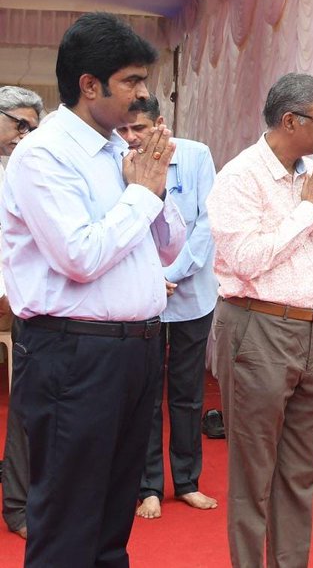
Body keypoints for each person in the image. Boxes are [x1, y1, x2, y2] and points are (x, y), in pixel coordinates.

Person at [0, 12, 185, 567]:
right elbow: (80, 257)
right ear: (89, 84)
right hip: (73, 354)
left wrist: (153, 187)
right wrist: (141, 196)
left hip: (136, 349)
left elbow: (170, 248)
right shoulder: (44, 155)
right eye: (132, 81)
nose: (142, 95)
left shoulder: (114, 149)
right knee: (66, 519)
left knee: (111, 516)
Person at [206, 72, 313, 567]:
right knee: (253, 474)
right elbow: (246, 258)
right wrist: (308, 212)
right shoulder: (240, 177)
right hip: (257, 329)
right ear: (290, 120)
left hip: (312, 331)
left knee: (298, 473)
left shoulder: (311, 175)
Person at [116, 95, 220, 521]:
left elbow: (207, 224)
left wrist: (171, 272)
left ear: (161, 124)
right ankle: (148, 486)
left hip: (191, 293)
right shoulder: (118, 160)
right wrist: (152, 279)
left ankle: (188, 481)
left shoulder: (195, 156)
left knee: (187, 392)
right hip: (140, 295)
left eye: (138, 128)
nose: (131, 138)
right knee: (143, 393)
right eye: (123, 130)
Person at [0, 86, 44, 541]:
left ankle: (18, 505)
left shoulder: (29, 170)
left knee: (26, 410)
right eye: (18, 123)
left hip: (18, 302)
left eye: (32, 125)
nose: (24, 133)